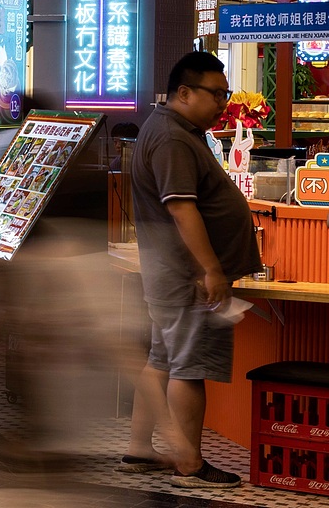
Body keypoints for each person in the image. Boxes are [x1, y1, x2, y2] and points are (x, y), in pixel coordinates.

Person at [122, 51, 259, 488]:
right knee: (188, 367)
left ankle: (141, 449)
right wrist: (211, 269)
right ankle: (190, 462)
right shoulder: (174, 138)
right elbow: (182, 209)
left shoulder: (178, 130)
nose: (223, 103)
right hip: (188, 277)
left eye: (227, 94)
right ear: (184, 92)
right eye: (216, 94)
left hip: (173, 273)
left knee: (162, 360)